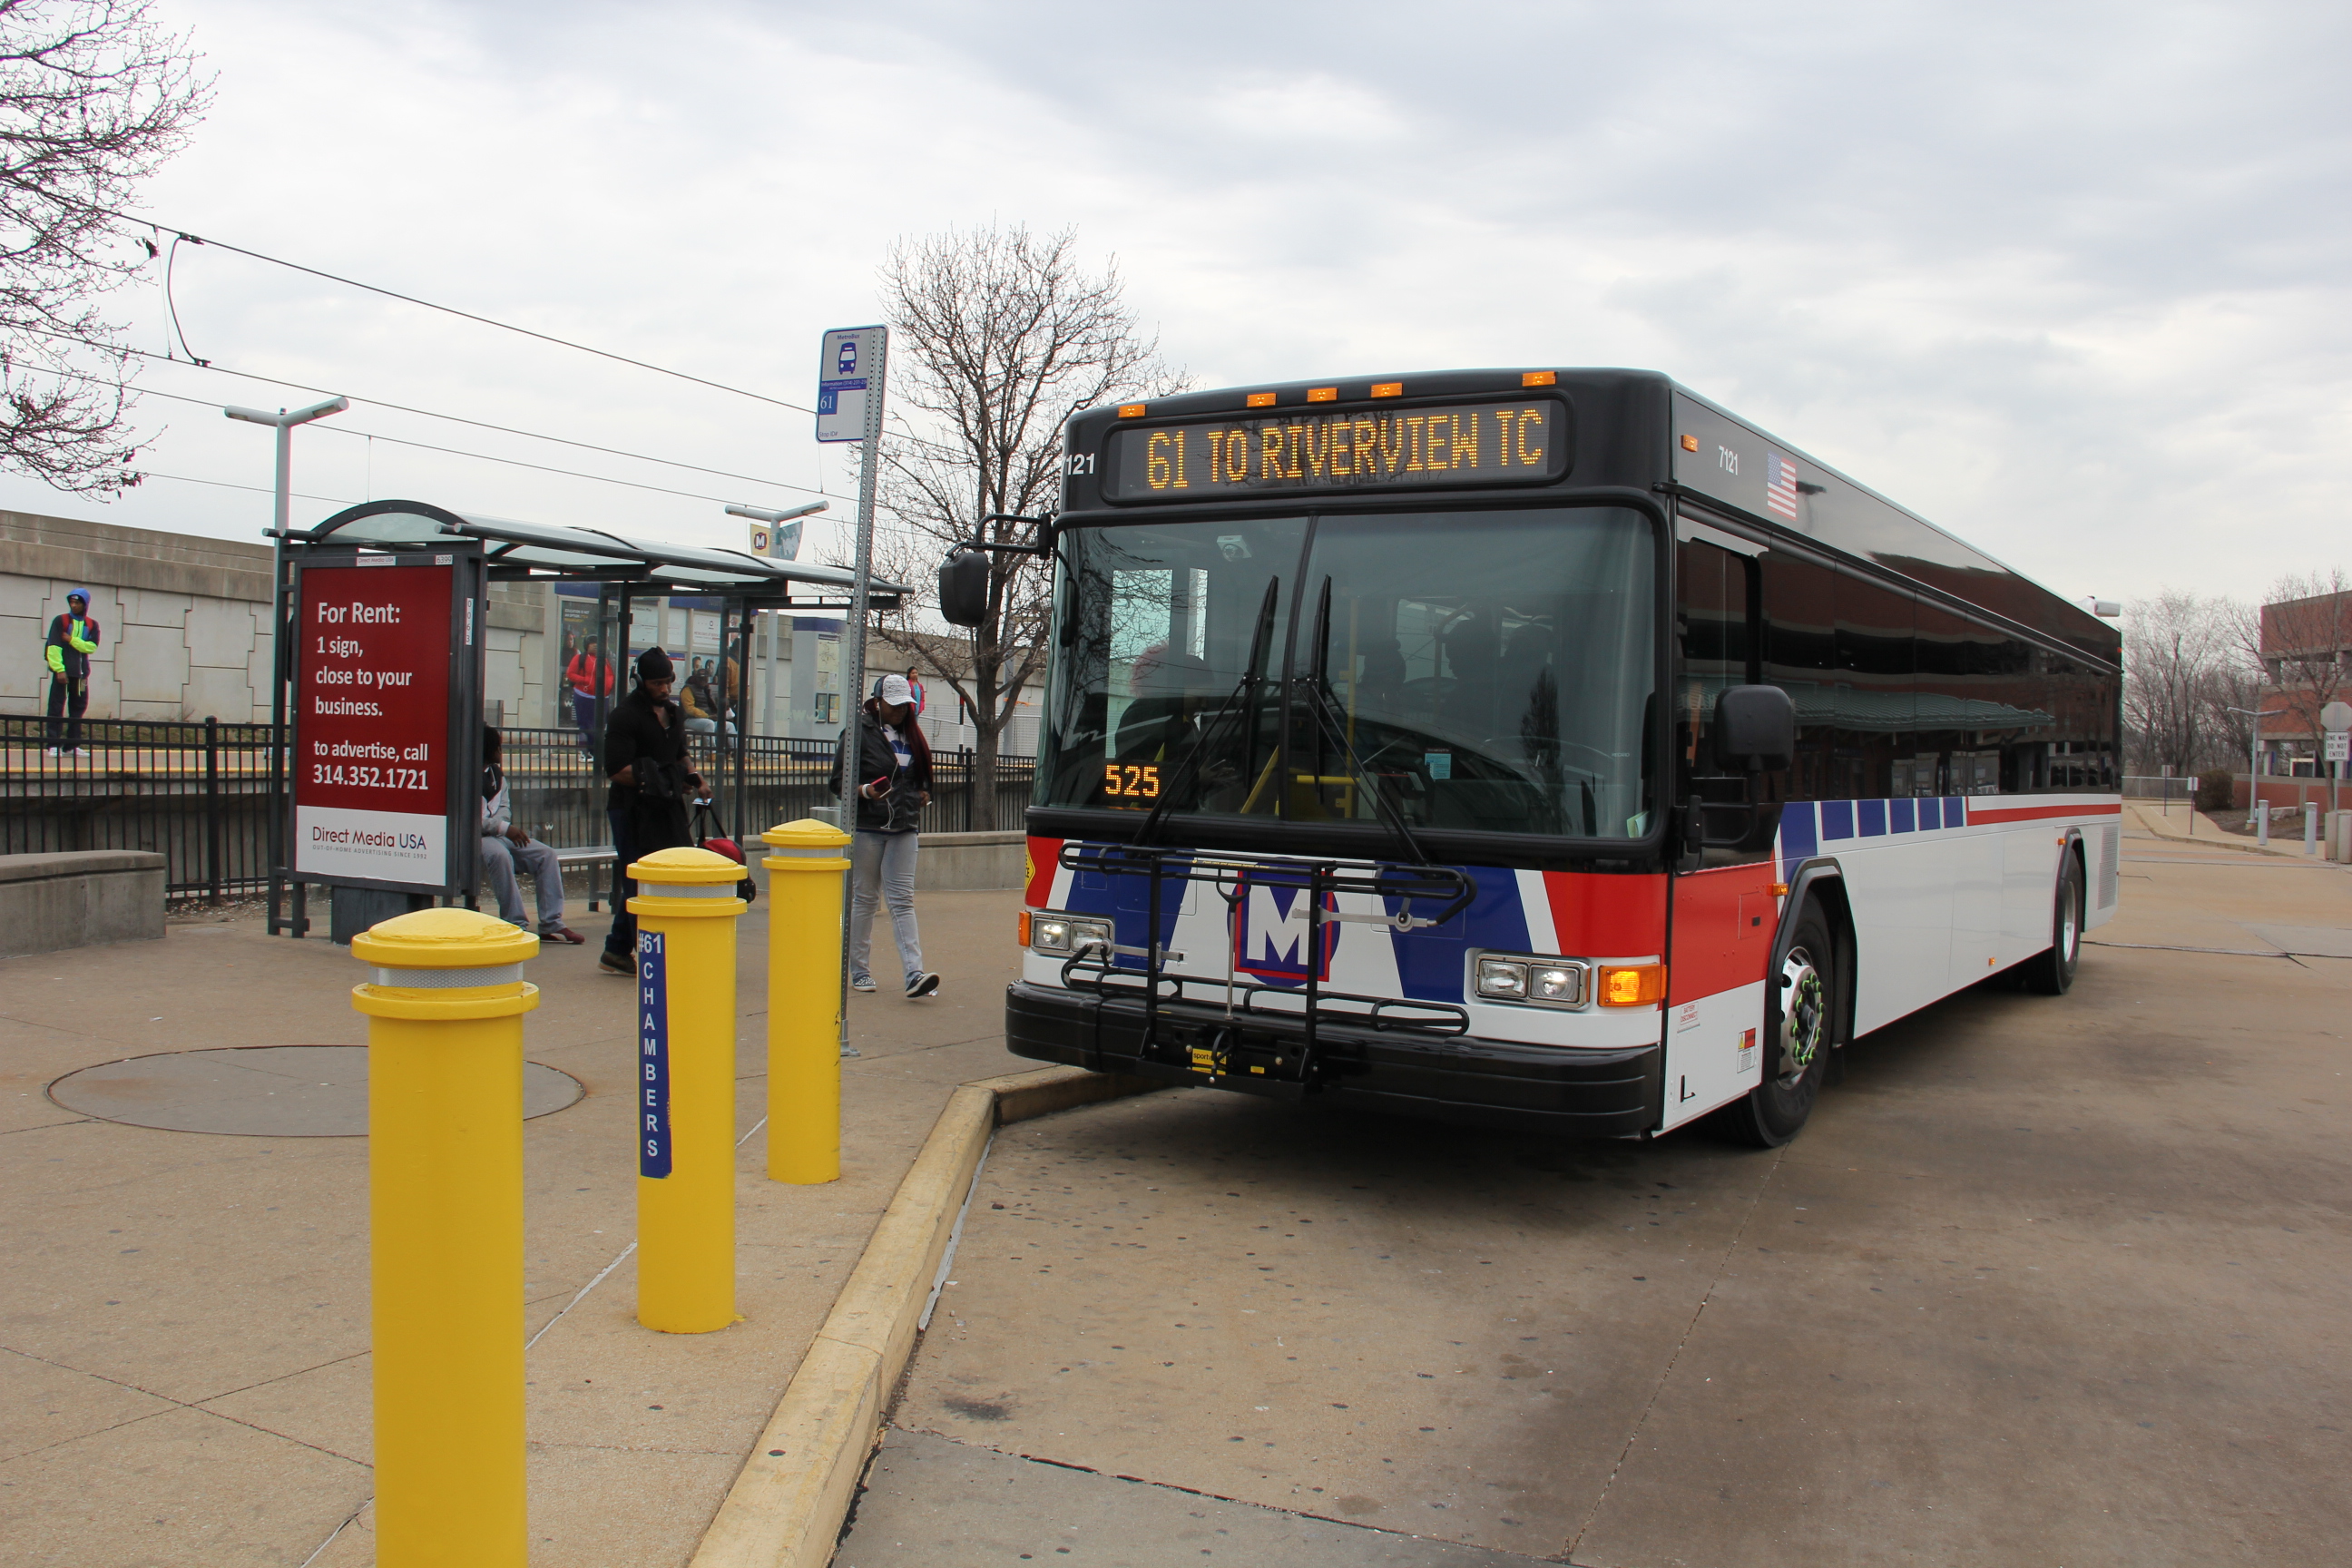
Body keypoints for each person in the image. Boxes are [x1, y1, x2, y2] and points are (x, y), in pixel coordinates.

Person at [833, 672, 939, 998]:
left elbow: (918, 779)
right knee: (864, 899)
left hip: (904, 827)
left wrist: (923, 793)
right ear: (877, 702)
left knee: (902, 900)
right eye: (893, 706)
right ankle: (859, 970)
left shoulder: (912, 735)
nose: (899, 711)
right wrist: (865, 791)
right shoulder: (858, 732)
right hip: (868, 827)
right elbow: (838, 783)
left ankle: (914, 973)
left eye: (904, 706)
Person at [598, 648, 702, 975]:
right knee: (639, 882)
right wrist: (662, 781)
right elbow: (616, 769)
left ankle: (616, 949)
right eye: (657, 683)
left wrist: (695, 777)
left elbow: (680, 753)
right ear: (640, 681)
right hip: (631, 810)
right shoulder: (625, 716)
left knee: (675, 873)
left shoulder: (673, 714)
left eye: (668, 681)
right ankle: (649, 957)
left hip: (666, 808)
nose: (664, 688)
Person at [479, 725, 582, 944]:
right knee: (499, 855)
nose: (500, 751)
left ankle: (551, 923)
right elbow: (470, 819)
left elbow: (505, 807)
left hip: (498, 832)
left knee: (545, 854)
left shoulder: (496, 775)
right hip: (475, 838)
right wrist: (503, 828)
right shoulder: (464, 776)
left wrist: (502, 826)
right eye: (497, 747)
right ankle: (515, 923)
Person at [43, 587, 100, 757]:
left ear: (85, 604)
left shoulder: (92, 624)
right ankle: (53, 744)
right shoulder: (60, 620)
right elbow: (53, 646)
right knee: (56, 705)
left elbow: (91, 647)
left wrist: (71, 639)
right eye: (71, 602)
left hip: (81, 675)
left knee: (78, 707)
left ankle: (72, 745)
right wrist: (59, 670)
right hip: (63, 673)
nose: (74, 606)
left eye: (77, 603)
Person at [566, 638, 614, 755]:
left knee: (600, 725)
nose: (595, 646)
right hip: (584, 696)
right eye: (592, 644)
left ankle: (596, 752)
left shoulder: (606, 659)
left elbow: (611, 674)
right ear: (587, 646)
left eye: (598, 644)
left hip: (603, 697)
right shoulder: (579, 658)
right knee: (585, 725)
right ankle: (584, 752)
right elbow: (570, 674)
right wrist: (585, 680)